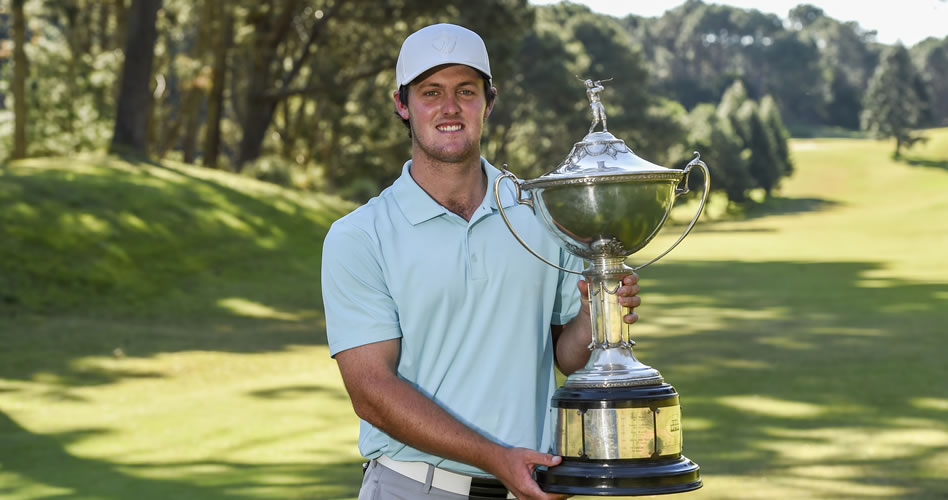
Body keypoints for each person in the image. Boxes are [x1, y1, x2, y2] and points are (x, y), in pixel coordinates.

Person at [321, 23, 641, 500]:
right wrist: (495, 457)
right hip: (414, 487)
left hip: (528, 487)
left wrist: (595, 315)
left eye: (465, 91)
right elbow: (371, 393)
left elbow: (565, 356)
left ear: (488, 103)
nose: (450, 107)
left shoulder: (540, 213)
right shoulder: (359, 236)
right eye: (431, 92)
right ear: (402, 105)